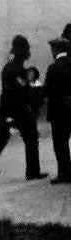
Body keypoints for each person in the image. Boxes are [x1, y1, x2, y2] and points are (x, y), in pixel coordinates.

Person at [0, 35, 46, 180]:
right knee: (30, 139)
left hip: (9, 109)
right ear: (21, 51)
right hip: (17, 110)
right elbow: (21, 91)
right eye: (26, 49)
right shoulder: (17, 69)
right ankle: (32, 172)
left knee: (2, 138)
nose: (28, 52)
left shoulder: (11, 67)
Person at [45, 36, 71, 184]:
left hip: (58, 113)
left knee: (60, 145)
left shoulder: (53, 68)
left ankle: (64, 173)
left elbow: (47, 90)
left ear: (55, 50)